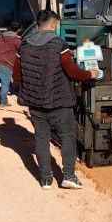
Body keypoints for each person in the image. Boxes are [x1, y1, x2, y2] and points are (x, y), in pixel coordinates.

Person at [13, 10, 97, 190]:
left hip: (35, 103)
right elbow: (72, 72)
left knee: (41, 138)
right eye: (57, 25)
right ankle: (68, 176)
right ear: (53, 25)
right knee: (67, 136)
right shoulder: (58, 44)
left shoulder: (24, 45)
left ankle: (45, 178)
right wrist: (90, 73)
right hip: (59, 102)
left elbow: (17, 76)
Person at [0, 21, 22, 107]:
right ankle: (3, 102)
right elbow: (21, 51)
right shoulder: (17, 40)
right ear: (18, 30)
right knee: (5, 84)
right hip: (6, 63)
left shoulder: (2, 36)